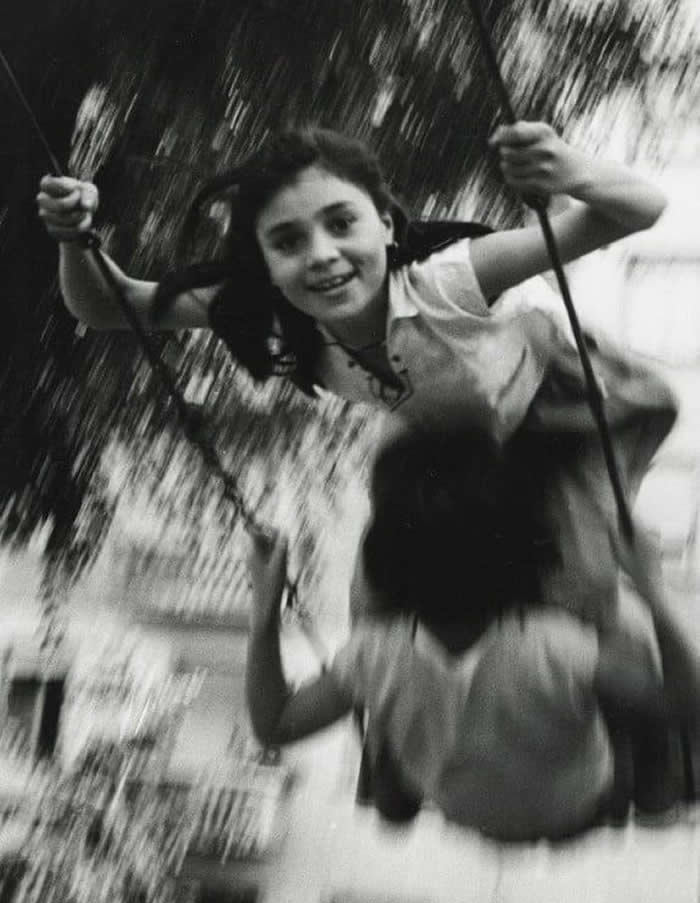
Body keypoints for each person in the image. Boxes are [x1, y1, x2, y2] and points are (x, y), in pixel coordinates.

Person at [37, 121, 677, 626]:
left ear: (387, 223)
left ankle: (635, 680)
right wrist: (76, 238)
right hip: (445, 438)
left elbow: (638, 209)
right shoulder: (269, 312)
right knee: (378, 601)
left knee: (575, 586)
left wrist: (577, 172)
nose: (321, 256)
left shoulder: (451, 280)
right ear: (263, 260)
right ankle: (399, 748)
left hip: (558, 416)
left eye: (341, 224)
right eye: (287, 242)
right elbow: (105, 306)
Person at [246, 428, 700, 844]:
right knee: (629, 623)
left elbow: (274, 724)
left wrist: (265, 610)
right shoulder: (556, 647)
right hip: (575, 805)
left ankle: (390, 776)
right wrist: (652, 589)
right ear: (527, 557)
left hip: (462, 808)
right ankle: (657, 787)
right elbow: (688, 704)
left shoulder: (371, 652)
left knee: (367, 630)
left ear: (386, 565)